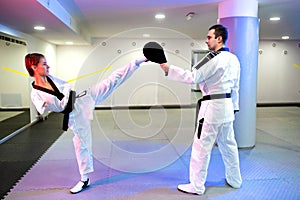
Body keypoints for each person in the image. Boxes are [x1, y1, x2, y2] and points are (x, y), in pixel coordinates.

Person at [25, 53, 148, 194]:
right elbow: (55, 106)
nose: (48, 66)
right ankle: (85, 179)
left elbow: (66, 88)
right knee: (81, 145)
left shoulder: (50, 78)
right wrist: (63, 99)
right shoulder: (35, 93)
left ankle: (140, 60)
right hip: (74, 114)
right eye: (44, 64)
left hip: (83, 96)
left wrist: (64, 97)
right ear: (34, 67)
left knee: (112, 80)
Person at [159, 24, 242, 195]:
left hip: (212, 108)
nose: (206, 40)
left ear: (219, 38)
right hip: (226, 108)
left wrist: (169, 68)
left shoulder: (212, 58)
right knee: (229, 146)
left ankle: (196, 186)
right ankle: (235, 180)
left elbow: (193, 77)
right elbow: (236, 87)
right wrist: (234, 107)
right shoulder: (234, 59)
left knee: (201, 147)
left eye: (209, 37)